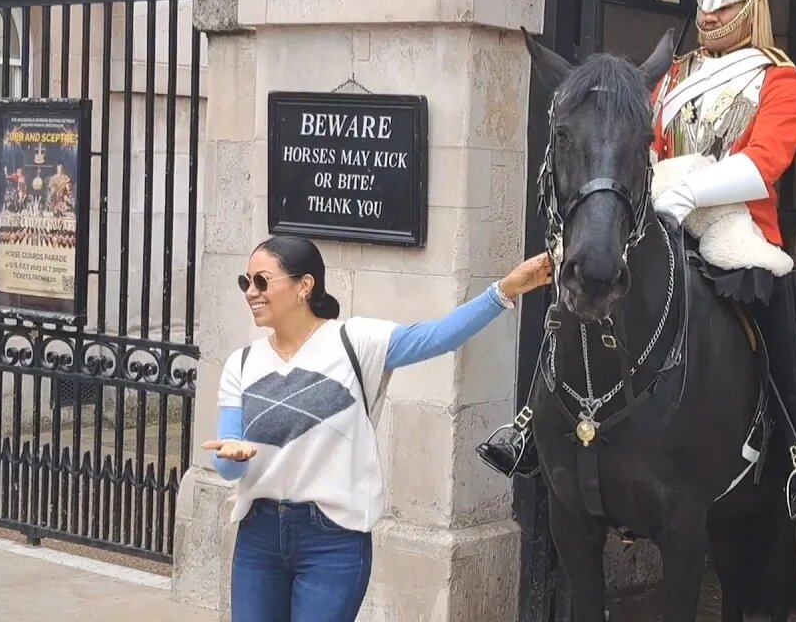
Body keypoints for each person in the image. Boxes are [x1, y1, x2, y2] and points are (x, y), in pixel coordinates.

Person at [478, 0, 796, 526]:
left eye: (724, 5)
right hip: (661, 205)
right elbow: (641, 149)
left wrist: (693, 192)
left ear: (748, 7)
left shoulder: (778, 80)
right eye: (704, 2)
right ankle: (534, 419)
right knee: (583, 269)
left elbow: (764, 163)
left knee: (780, 293)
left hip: (735, 220)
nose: (709, 15)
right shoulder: (670, 77)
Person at [202, 234, 552, 622]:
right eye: (245, 282)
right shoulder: (243, 363)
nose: (252, 292)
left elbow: (437, 337)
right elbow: (228, 463)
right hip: (258, 536)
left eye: (262, 281)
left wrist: (504, 291)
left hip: (333, 538)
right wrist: (230, 457)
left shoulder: (355, 342)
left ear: (304, 285)